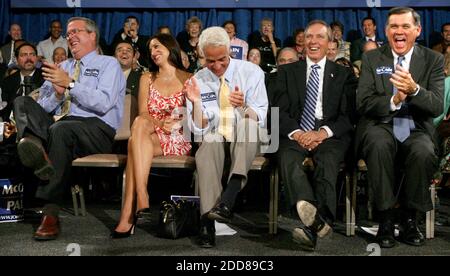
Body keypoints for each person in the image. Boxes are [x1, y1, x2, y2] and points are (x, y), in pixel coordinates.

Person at [13, 17, 126, 241]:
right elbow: (41, 107)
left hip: (98, 128)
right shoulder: (63, 66)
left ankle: (50, 213)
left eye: (76, 32)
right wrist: (55, 93)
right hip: (63, 125)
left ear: (92, 35)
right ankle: (37, 149)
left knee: (60, 130)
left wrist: (70, 85)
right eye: (68, 33)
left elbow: (103, 103)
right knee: (22, 103)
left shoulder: (108, 64)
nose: (70, 37)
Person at [356, 7, 445, 248]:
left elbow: (437, 106)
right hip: (382, 123)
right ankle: (385, 218)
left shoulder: (433, 59)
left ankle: (409, 218)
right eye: (394, 26)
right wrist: (393, 100)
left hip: (415, 126)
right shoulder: (372, 58)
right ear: (386, 31)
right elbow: (363, 102)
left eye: (405, 26)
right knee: (377, 143)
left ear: (417, 30)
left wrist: (415, 90)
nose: (399, 31)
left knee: (423, 150)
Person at [274, 20, 355, 251]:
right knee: (288, 158)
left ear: (330, 43)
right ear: (302, 42)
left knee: (327, 161)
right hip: (296, 130)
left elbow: (348, 116)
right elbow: (278, 110)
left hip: (328, 133)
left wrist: (322, 133)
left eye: (320, 37)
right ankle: (315, 218)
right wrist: (299, 133)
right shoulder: (287, 71)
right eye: (309, 36)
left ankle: (316, 223)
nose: (313, 41)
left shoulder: (343, 74)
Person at [185, 26, 268, 248]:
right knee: (209, 143)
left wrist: (243, 106)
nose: (217, 66)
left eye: (222, 59)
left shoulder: (251, 72)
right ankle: (207, 223)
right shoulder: (198, 80)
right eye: (210, 61)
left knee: (248, 125)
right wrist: (195, 102)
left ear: (229, 50)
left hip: (246, 141)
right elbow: (198, 129)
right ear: (202, 55)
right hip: (216, 137)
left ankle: (230, 195)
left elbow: (260, 114)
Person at [112, 33, 192, 238]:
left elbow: (194, 116)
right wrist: (160, 123)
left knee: (133, 143)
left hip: (177, 137)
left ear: (169, 47)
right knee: (139, 124)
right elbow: (144, 113)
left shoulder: (189, 78)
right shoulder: (147, 77)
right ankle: (142, 194)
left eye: (157, 47)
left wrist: (174, 123)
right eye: (150, 49)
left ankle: (130, 213)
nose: (153, 52)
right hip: (150, 131)